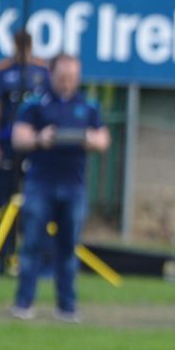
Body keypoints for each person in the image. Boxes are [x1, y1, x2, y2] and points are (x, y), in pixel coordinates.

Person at [10, 54, 110, 322]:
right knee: (32, 244)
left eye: (73, 78)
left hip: (73, 186)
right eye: (63, 77)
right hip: (40, 184)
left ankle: (67, 307)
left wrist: (88, 139)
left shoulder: (87, 105)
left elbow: (104, 140)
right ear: (51, 74)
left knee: (68, 248)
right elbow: (18, 138)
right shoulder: (35, 103)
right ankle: (23, 303)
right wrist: (40, 139)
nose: (67, 83)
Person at [0, 29, 50, 274]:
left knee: (39, 203)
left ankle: (38, 259)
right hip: (6, 145)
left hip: (34, 148)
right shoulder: (2, 71)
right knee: (0, 202)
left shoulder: (43, 72)